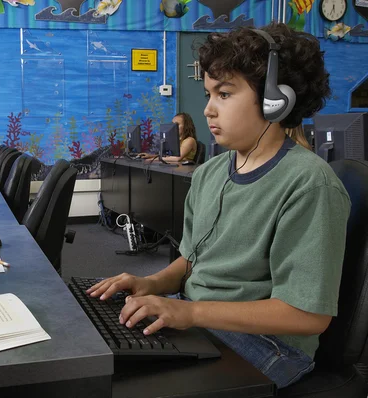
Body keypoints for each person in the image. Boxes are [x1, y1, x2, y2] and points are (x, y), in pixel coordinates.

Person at [87, 22, 350, 390]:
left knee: (131, 385)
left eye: (224, 94)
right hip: (205, 320)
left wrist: (190, 311)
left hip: (269, 345)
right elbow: (193, 259)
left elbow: (307, 316)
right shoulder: (210, 173)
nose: (208, 110)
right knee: (95, 358)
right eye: (209, 94)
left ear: (276, 100)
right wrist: (151, 283)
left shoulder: (309, 184)